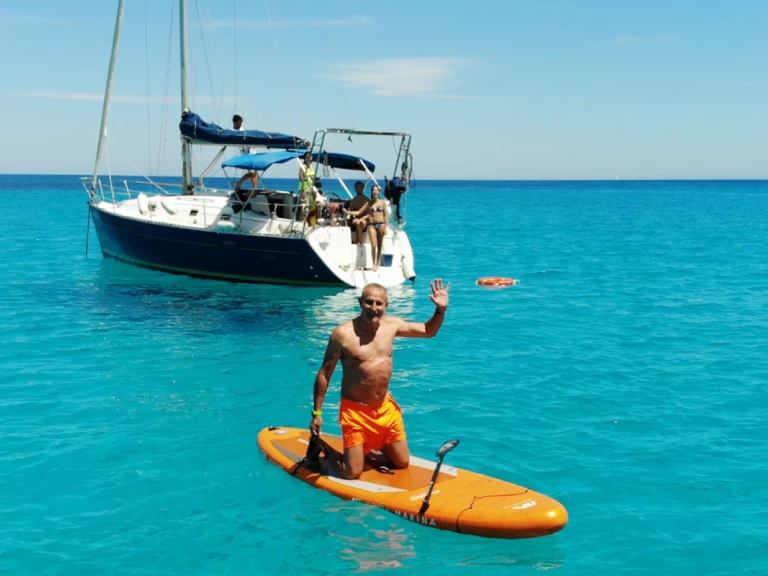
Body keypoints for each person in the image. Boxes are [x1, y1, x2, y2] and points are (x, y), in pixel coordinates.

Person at [309, 279, 451, 480]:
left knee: (402, 462)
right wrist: (317, 413)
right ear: (360, 302)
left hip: (385, 409)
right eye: (369, 302)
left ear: (386, 305)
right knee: (352, 473)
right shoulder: (342, 334)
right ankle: (327, 450)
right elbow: (325, 374)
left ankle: (371, 446)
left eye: (379, 303)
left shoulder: (392, 326)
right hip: (356, 413)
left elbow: (429, 331)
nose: (373, 308)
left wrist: (440, 310)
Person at [232, 114, 259, 193]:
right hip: (246, 154)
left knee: (254, 172)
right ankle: (240, 183)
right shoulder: (233, 132)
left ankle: (255, 189)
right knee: (252, 173)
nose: (241, 123)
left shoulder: (242, 129)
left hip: (251, 151)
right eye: (239, 122)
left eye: (241, 122)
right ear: (235, 122)